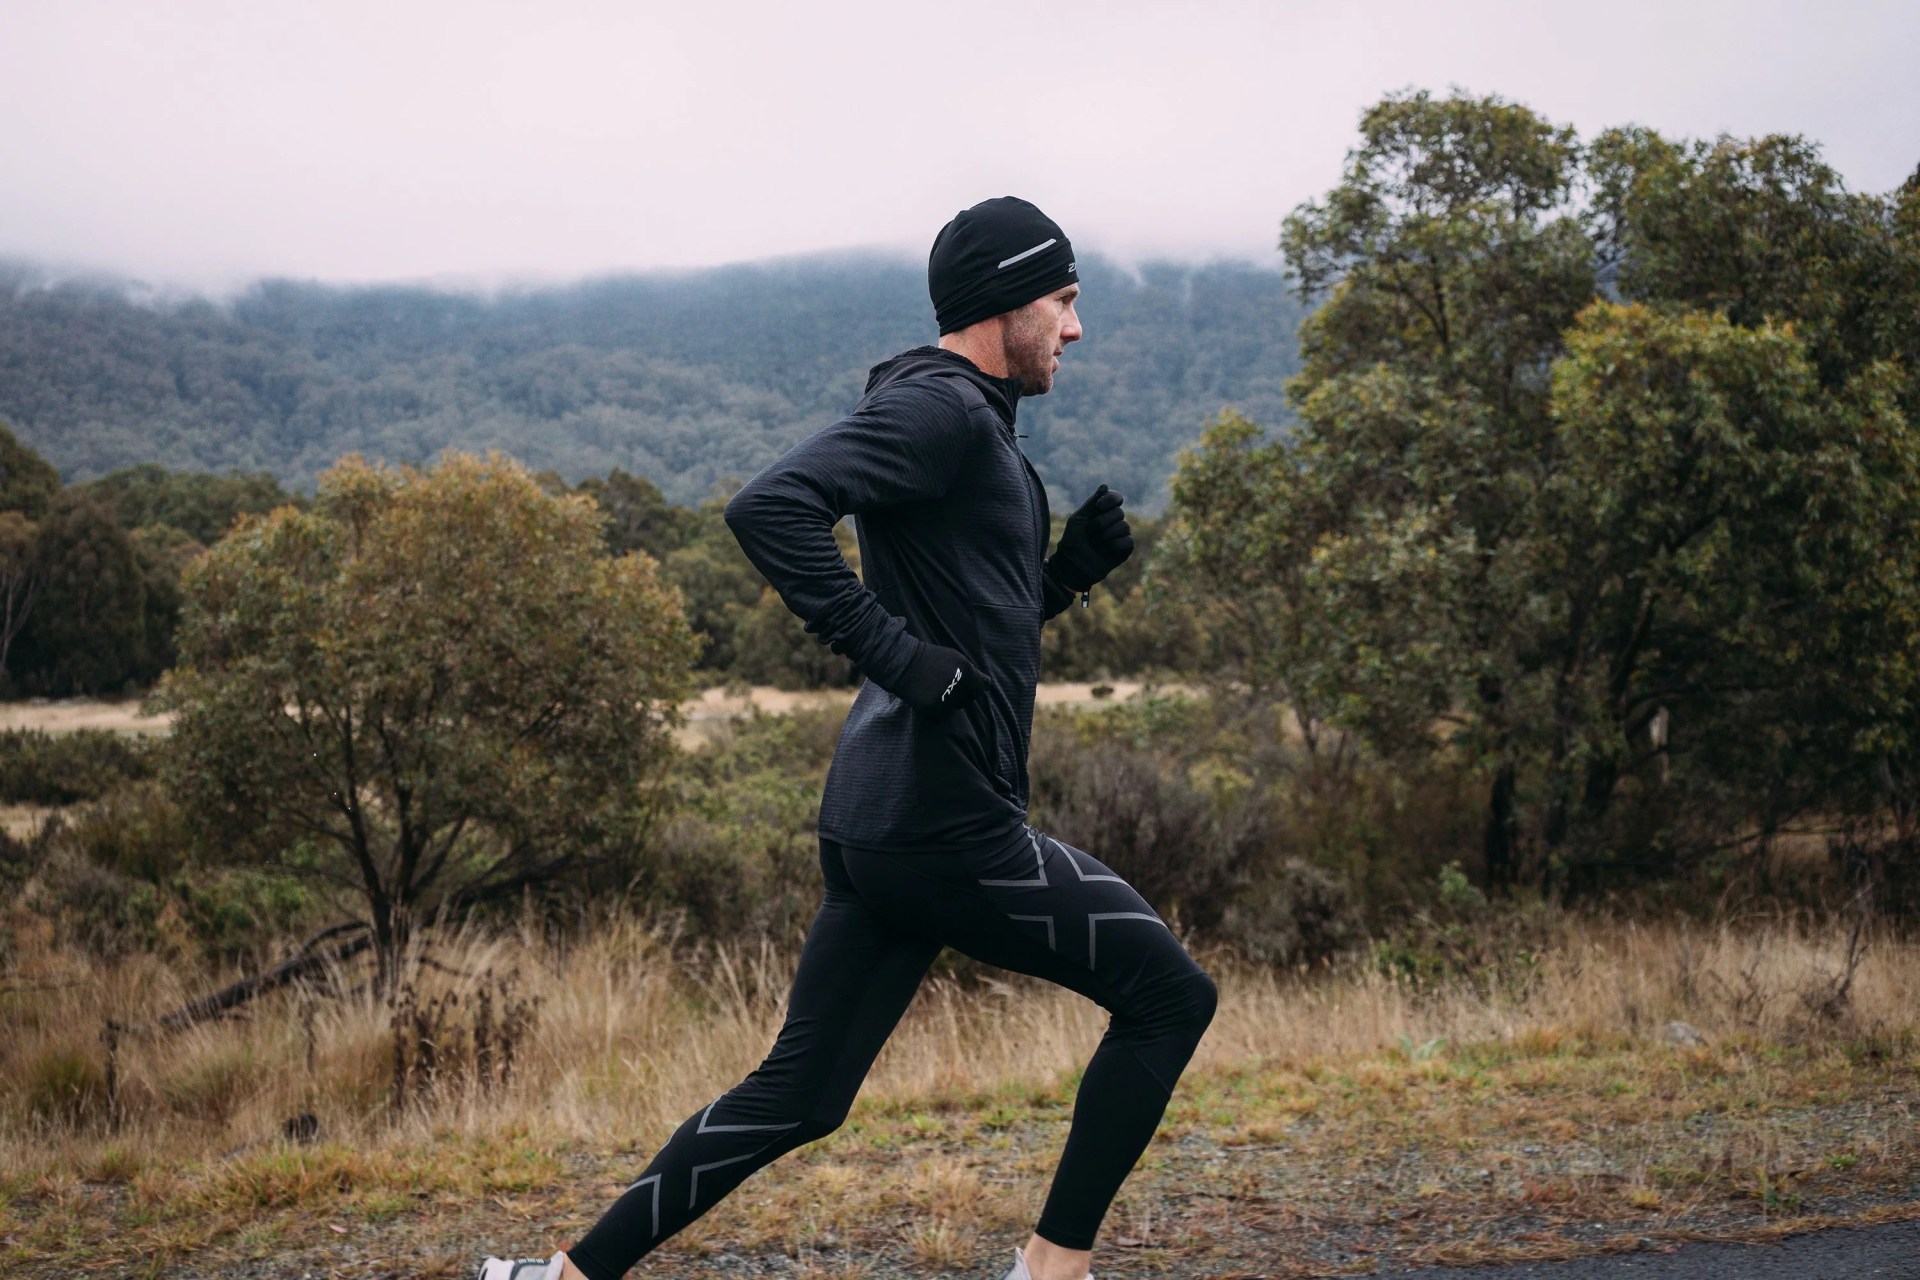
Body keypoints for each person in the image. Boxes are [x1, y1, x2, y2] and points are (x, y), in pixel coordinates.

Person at [475, 196, 1217, 1280]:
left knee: (802, 1092)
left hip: (879, 821)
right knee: (1169, 994)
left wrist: (1063, 579)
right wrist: (900, 658)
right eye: (1063, 299)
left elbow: (968, 629)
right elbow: (770, 508)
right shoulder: (943, 411)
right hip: (949, 823)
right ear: (1005, 299)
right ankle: (1052, 1270)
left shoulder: (969, 421)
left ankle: (563, 1277)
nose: (1076, 325)